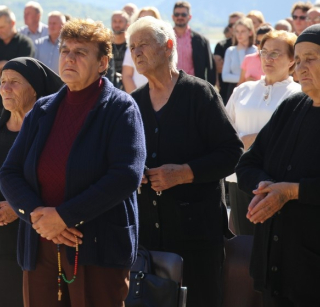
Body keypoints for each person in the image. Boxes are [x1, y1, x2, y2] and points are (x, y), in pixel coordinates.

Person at [0, 19, 146, 306]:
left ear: (103, 62)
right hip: (40, 244)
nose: (69, 58)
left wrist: (65, 216)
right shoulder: (43, 109)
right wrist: (38, 215)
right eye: (65, 50)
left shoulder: (120, 108)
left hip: (95, 246)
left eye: (80, 52)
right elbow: (9, 172)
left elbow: (126, 175)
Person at [128, 16, 243, 307]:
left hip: (197, 237)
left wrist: (184, 173)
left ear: (168, 46)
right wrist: (135, 173)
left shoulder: (199, 94)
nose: (136, 52)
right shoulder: (134, 103)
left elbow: (232, 153)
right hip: (148, 239)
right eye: (132, 47)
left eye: (143, 44)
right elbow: (123, 158)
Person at [0, 57, 63, 307]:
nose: (5, 88)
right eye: (3, 81)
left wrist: (16, 208)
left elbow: (59, 184)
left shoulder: (49, 132)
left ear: (35, 89)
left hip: (37, 242)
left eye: (15, 82)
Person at [235, 24, 320, 306]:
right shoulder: (292, 106)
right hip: (276, 265)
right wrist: (265, 187)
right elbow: (248, 163)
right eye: (299, 59)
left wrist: (293, 191)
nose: (301, 68)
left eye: (311, 58)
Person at [226, 30, 301, 236]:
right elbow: (225, 129)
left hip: (276, 180)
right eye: (264, 51)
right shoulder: (243, 90)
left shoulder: (298, 95)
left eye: (275, 53)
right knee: (242, 244)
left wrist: (252, 139)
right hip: (240, 176)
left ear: (292, 60)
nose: (268, 58)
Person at [0, 6, 34, 125]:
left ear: (12, 23)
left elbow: (20, 74)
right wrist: (5, 63)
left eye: (2, 27)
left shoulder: (25, 44)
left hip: (16, 104)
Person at [172, 0, 216, 85]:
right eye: (177, 14)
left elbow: (211, 69)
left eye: (183, 14)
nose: (180, 17)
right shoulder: (164, 39)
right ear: (173, 17)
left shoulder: (201, 41)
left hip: (194, 87)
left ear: (189, 17)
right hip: (170, 87)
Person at [222, 17, 258, 101]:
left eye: (243, 31)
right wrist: (244, 79)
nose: (239, 34)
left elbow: (252, 74)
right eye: (237, 31)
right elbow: (225, 76)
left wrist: (242, 52)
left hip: (251, 90)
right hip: (233, 89)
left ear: (250, 32)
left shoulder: (255, 51)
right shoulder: (230, 51)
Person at [214, 12, 245, 101]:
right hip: (226, 92)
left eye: (238, 24)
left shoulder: (252, 48)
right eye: (231, 25)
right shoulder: (221, 46)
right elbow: (219, 69)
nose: (235, 28)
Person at [110, 10, 130, 88]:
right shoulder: (105, 45)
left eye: (120, 21)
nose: (117, 24)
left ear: (127, 24)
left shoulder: (131, 45)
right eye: (114, 21)